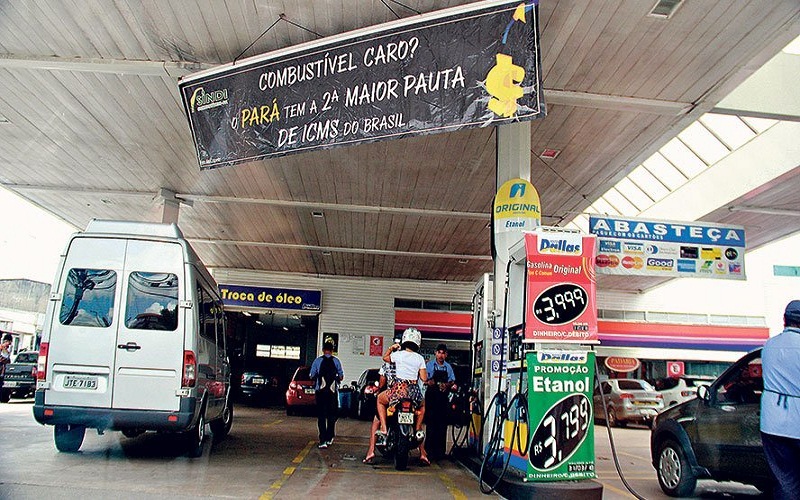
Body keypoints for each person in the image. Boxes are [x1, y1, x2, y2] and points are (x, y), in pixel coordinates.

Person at [760, 300, 800, 498]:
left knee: (784, 480)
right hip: (797, 422)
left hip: (772, 423)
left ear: (785, 320)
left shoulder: (769, 345)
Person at [375, 327, 429, 465]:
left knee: (380, 400)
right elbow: (424, 378)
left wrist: (391, 348)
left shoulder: (398, 355)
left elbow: (385, 358)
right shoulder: (420, 358)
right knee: (422, 406)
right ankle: (417, 428)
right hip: (413, 392)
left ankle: (384, 428)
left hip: (398, 390)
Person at [424, 343, 456, 460]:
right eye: (439, 353)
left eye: (443, 353)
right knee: (431, 425)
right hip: (432, 398)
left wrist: (446, 385)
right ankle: (428, 451)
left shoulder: (448, 367)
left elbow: (452, 381)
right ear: (435, 353)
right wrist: (429, 382)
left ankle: (440, 453)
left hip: (443, 399)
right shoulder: (429, 365)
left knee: (442, 426)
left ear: (446, 355)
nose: (441, 355)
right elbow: (424, 379)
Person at [309, 341, 344, 449]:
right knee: (332, 415)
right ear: (332, 351)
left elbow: (311, 375)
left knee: (321, 416)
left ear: (323, 350)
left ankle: (323, 440)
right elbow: (341, 376)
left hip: (320, 392)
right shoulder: (336, 361)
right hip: (332, 392)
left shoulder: (317, 361)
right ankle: (329, 437)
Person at [363, 356, 396, 464]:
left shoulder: (386, 366)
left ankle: (371, 450)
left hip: (391, 397)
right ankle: (422, 453)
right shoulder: (410, 363)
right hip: (408, 396)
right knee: (416, 423)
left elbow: (381, 383)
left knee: (376, 420)